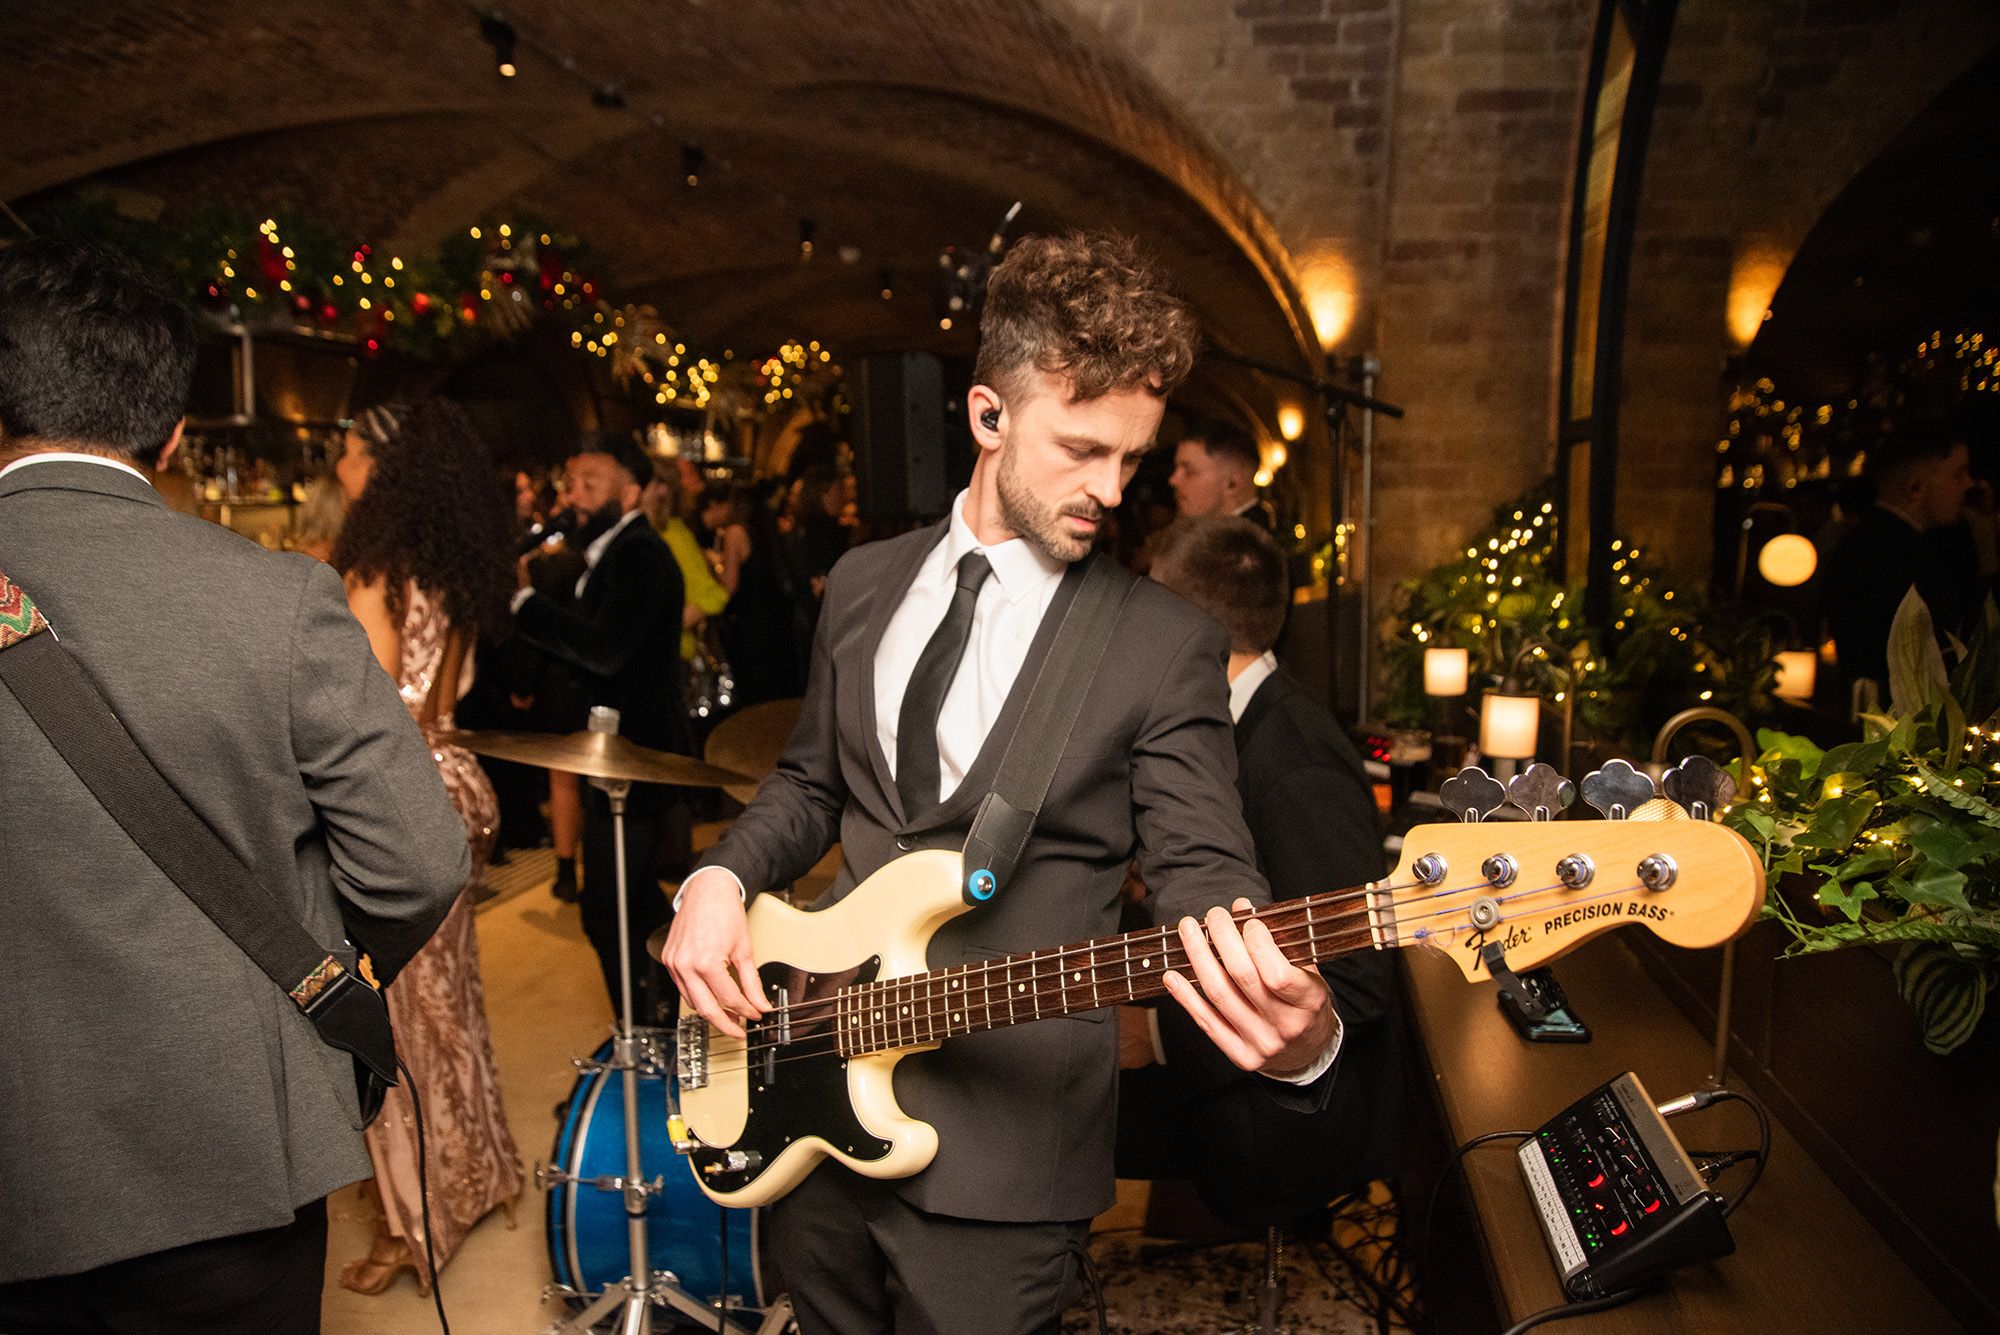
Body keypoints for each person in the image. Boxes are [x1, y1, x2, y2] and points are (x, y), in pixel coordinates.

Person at [662, 232, 1340, 1335]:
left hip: (1009, 1162)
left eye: (1131, 458)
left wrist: (1269, 993)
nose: (1109, 492)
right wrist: (720, 881)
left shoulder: (1160, 641)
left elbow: (1201, 862)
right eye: (1080, 450)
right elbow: (808, 783)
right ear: (986, 417)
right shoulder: (864, 584)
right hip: (812, 1094)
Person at [0, 239, 468, 1333]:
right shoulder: (279, 602)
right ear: (172, 434)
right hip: (224, 1140)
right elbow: (418, 861)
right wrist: (319, 971)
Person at [1118, 516, 1402, 1226]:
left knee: (1043, 1100)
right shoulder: (1236, 720)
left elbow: (1359, 985)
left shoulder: (1296, 760)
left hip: (1287, 1114)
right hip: (1237, 1067)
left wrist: (1153, 1037)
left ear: (1182, 622)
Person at [329, 399, 527, 1294]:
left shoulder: (374, 569)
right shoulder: (452, 566)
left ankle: (412, 1223)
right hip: (461, 783)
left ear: (381, 465)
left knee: (388, 1019)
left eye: (347, 447)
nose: (338, 460)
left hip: (399, 797)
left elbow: (360, 706)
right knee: (450, 1005)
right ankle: (477, 1177)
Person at [512, 437, 689, 1023]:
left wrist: (525, 605)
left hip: (634, 759)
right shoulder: (614, 551)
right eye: (571, 483)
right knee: (631, 902)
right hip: (616, 757)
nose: (575, 497)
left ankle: (646, 1033)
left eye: (591, 483)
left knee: (608, 909)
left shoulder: (639, 553)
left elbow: (608, 651)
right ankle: (668, 1017)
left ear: (632, 491)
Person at [1821, 427, 1976, 699]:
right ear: (1914, 488)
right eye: (1958, 474)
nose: (1969, 484)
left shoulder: (1863, 542)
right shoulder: (1905, 557)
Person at [704, 482, 807, 706]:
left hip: (749, 628)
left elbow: (729, 586)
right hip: (775, 627)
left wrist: (709, 568)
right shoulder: (770, 532)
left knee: (750, 698)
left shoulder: (736, 533)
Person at [1167, 419, 1270, 528]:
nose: (1173, 480)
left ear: (1233, 483)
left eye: (1189, 472)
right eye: (1176, 469)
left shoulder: (1248, 542)